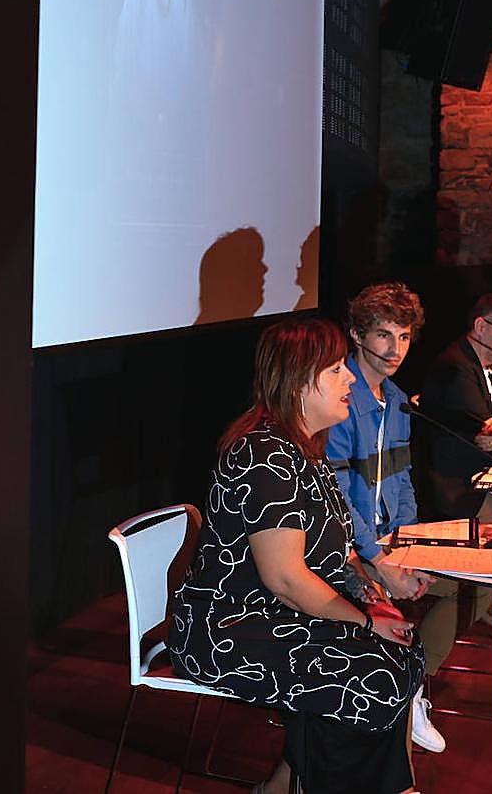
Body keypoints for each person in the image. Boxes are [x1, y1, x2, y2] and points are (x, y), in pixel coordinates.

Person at [169, 318, 424, 794]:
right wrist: (363, 621)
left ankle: (292, 786)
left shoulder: (306, 448)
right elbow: (285, 578)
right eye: (334, 370)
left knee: (399, 651)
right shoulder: (265, 454)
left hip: (280, 615)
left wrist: (368, 591)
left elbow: (333, 548)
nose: (350, 377)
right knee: (373, 671)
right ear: (297, 382)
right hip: (230, 628)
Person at [326, 282, 454, 753]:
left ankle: (414, 686)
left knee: (462, 583)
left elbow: (401, 481)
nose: (395, 348)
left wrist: (409, 544)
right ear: (357, 334)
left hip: (385, 540)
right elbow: (337, 496)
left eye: (403, 337)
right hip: (345, 547)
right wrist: (379, 557)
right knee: (385, 607)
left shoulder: (397, 398)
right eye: (384, 335)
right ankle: (403, 695)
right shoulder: (339, 399)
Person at [419, 292, 492, 522]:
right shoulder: (456, 367)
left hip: (479, 480)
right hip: (457, 492)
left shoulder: (477, 365)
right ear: (481, 326)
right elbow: (490, 437)